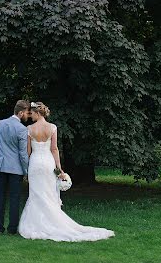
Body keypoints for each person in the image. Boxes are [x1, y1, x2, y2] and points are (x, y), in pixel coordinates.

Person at [18, 101, 115, 241]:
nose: (30, 115)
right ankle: (53, 222)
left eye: (32, 113)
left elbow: (27, 151)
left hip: (35, 164)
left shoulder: (29, 129)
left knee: (36, 193)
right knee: (49, 193)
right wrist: (59, 169)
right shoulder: (52, 128)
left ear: (38, 113)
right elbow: (54, 149)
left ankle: (37, 224)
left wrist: (25, 169)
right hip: (48, 163)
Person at [0, 99, 30, 234]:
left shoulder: (0, 124)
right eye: (26, 113)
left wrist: (0, 158)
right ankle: (12, 229)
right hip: (15, 169)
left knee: (0, 197)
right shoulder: (21, 129)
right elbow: (23, 153)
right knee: (14, 198)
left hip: (0, 166)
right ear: (20, 113)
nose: (28, 115)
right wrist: (27, 171)